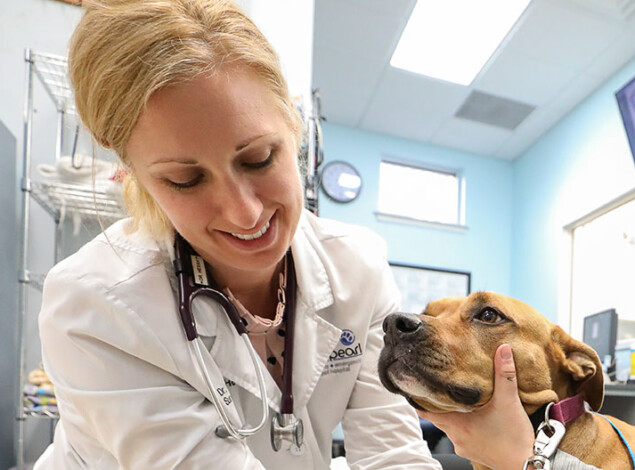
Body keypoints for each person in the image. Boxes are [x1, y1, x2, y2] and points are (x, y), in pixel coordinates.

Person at [32, 1, 598, 469]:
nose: (245, 211)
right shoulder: (91, 305)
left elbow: (393, 454)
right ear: (134, 177)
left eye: (258, 158)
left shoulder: (357, 269)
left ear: (295, 131)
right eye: (185, 178)